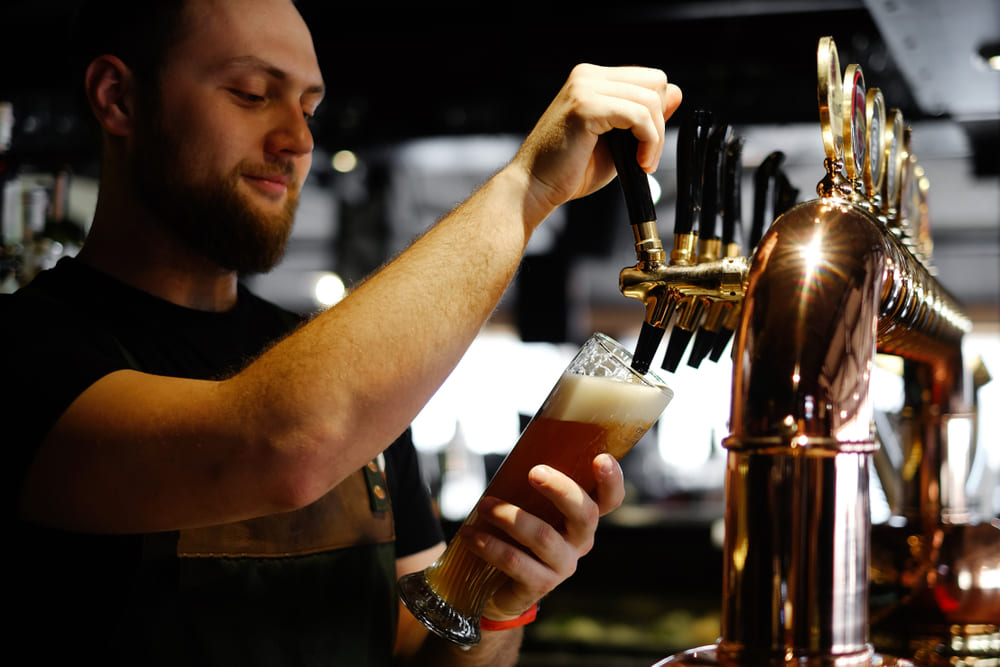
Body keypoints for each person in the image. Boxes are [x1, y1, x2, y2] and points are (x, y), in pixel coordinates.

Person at [2, 0, 683, 664]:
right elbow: (282, 442)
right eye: (250, 93)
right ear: (117, 97)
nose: (297, 140)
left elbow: (419, 651)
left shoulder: (337, 366)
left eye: (307, 107)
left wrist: (495, 599)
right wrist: (527, 185)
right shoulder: (28, 351)